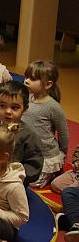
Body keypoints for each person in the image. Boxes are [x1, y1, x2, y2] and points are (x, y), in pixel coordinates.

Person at [22, 60, 69, 188]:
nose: (26, 81)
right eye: (26, 77)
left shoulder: (53, 107)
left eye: (32, 79)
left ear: (48, 84)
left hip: (45, 154)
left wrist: (62, 153)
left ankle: (51, 172)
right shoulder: (26, 98)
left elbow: (63, 131)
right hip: (27, 149)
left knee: (32, 183)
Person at [0, 80, 43, 187]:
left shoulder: (29, 136)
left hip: (13, 184)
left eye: (14, 108)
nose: (8, 111)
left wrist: (15, 176)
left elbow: (34, 166)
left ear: (25, 109)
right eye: (2, 106)